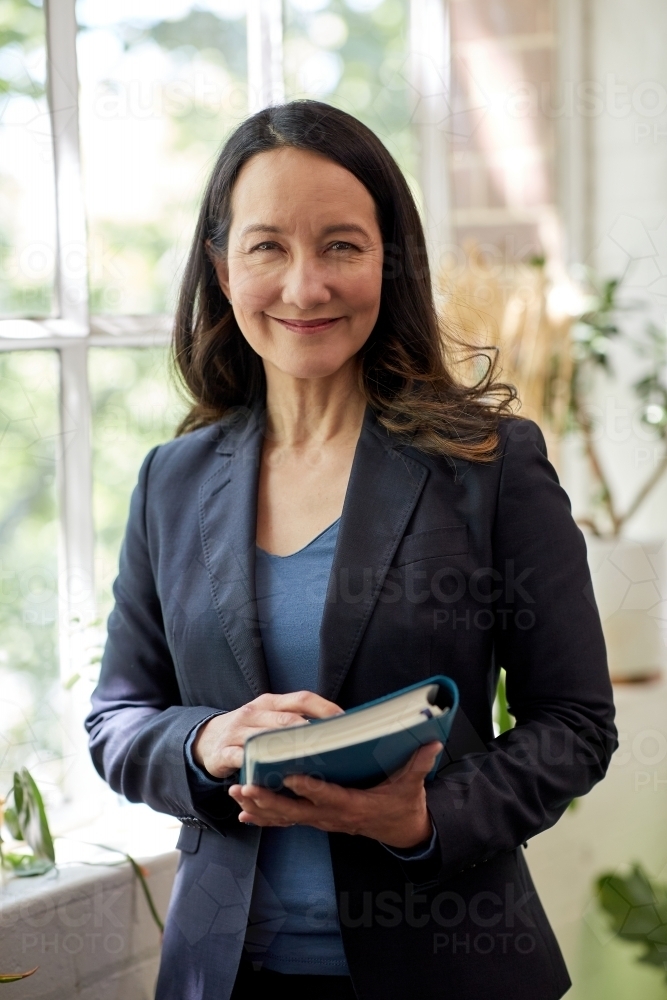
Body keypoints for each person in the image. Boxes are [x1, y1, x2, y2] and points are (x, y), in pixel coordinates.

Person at [86, 100, 617, 1000]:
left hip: (449, 969)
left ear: (388, 262)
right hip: (227, 975)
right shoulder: (170, 481)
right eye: (267, 247)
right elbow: (118, 717)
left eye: (340, 245)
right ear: (221, 268)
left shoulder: (488, 465)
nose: (304, 287)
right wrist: (208, 740)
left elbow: (573, 724)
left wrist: (422, 817)